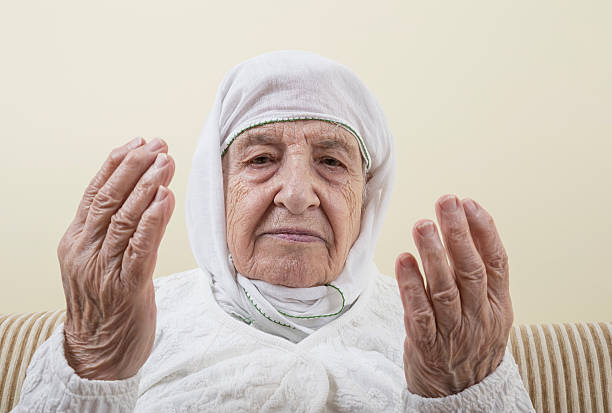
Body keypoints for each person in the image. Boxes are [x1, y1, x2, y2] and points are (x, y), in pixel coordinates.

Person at [12, 50, 535, 412]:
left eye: (332, 161)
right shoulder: (124, 318)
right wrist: (96, 359)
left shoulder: (446, 333)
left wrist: (458, 392)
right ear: (217, 189)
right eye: (261, 158)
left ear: (366, 194)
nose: (297, 194)